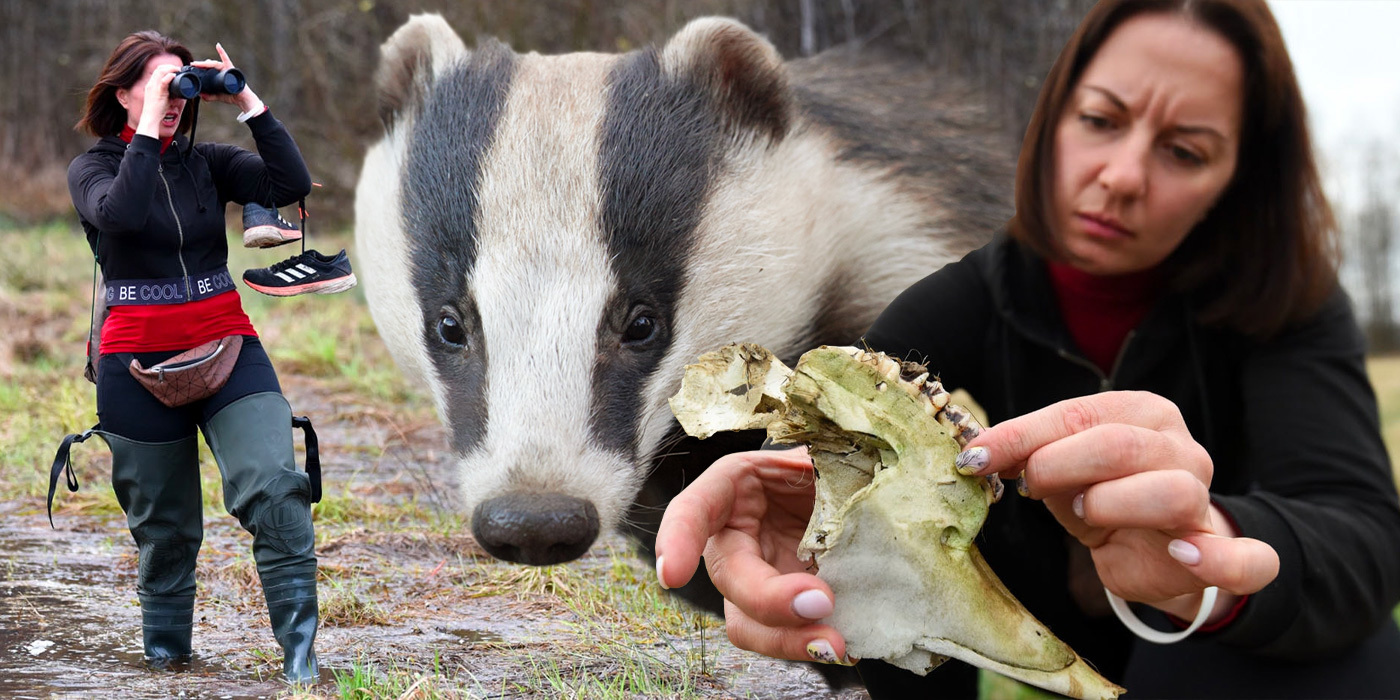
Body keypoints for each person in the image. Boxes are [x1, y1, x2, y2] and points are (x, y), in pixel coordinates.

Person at [655, 1, 1400, 697]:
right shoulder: (960, 299)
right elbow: (840, 434)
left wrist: (1215, 557)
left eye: (1184, 151)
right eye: (1102, 120)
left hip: (1233, 657)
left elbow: (1363, 535)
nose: (1122, 175)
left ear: (1240, 180)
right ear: (1053, 120)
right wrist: (810, 498)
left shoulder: (1290, 304)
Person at [65, 31, 321, 683]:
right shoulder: (90, 169)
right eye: (156, 87)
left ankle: (301, 666)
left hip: (228, 349)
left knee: (277, 491)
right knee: (167, 533)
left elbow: (289, 182)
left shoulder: (208, 162)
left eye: (182, 86)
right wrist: (150, 130)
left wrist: (246, 99)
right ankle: (167, 667)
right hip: (135, 366)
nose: (174, 100)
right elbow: (120, 215)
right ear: (121, 95)